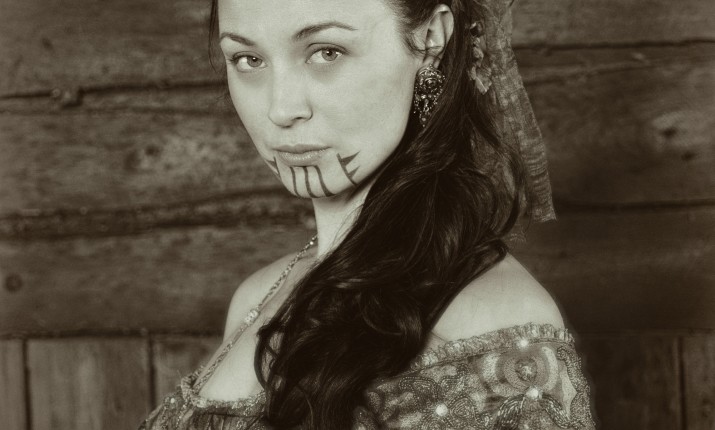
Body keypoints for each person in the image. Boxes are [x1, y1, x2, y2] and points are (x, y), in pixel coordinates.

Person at [140, 0, 597, 428]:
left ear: (430, 39)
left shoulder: (496, 319)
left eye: (327, 52)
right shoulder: (257, 296)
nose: (281, 109)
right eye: (248, 59)